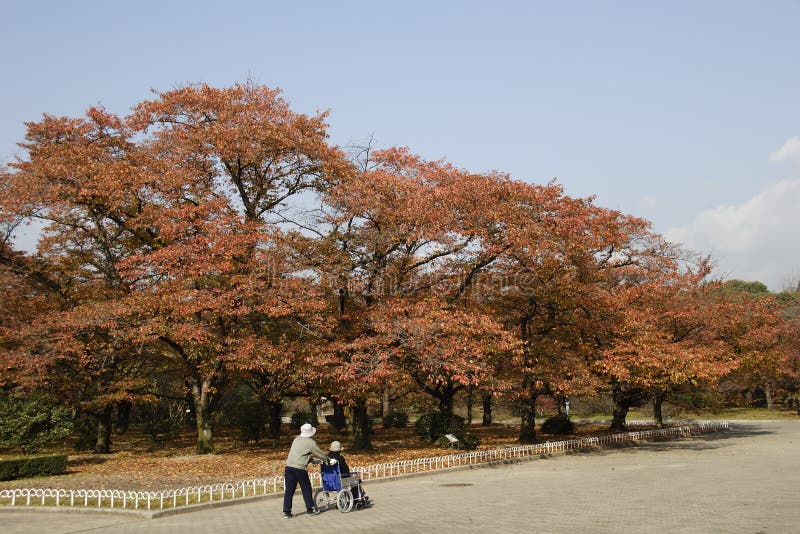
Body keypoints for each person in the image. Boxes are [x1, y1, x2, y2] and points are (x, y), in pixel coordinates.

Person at [283, 423, 329, 519]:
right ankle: (310, 509)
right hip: (299, 469)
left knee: (289, 491)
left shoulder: (296, 439)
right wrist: (327, 460)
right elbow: (319, 453)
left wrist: (312, 460)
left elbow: (300, 454)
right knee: (306, 488)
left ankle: (287, 512)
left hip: (289, 467)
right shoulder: (310, 442)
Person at [328, 440, 370, 507]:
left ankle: (349, 497)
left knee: (350, 480)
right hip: (340, 480)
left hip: (328, 481)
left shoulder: (327, 458)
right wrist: (350, 475)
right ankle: (358, 498)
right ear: (339, 450)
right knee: (356, 481)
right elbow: (345, 470)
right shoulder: (340, 459)